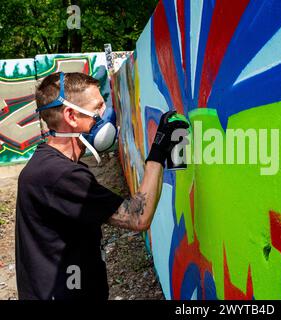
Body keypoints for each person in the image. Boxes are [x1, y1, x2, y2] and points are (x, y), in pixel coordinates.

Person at [15, 71, 189, 300]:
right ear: (71, 116)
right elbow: (138, 217)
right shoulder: (60, 175)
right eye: (97, 108)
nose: (105, 115)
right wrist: (158, 152)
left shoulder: (47, 166)